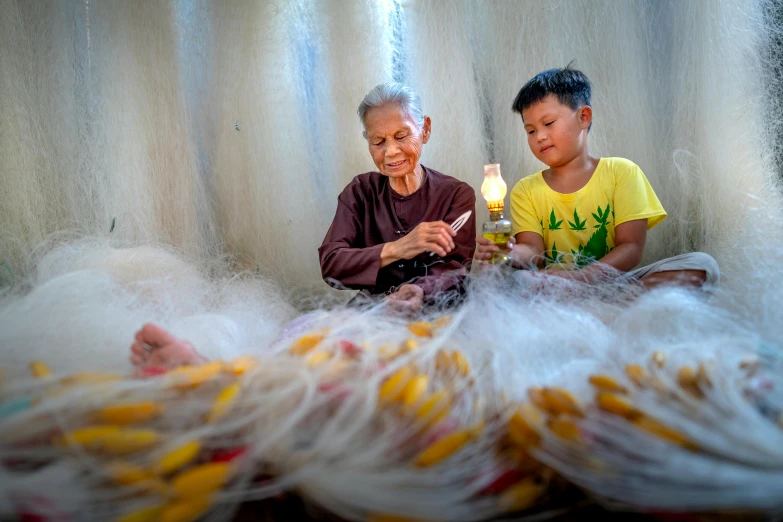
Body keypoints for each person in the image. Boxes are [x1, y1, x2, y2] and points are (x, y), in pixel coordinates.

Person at [475, 65, 719, 290]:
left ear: (584, 117)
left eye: (548, 123)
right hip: (555, 287)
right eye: (530, 130)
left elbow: (631, 247)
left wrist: (581, 279)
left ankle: (601, 306)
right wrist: (508, 252)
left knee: (702, 265)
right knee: (516, 281)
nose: (539, 136)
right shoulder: (525, 190)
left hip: (612, 284)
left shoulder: (621, 172)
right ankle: (608, 311)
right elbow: (532, 250)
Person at [319, 82, 476, 313]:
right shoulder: (360, 192)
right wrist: (399, 248)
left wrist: (421, 290)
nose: (391, 151)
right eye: (379, 142)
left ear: (425, 130)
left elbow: (456, 269)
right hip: (373, 310)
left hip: (437, 308)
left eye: (401, 136)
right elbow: (332, 264)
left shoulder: (455, 194)